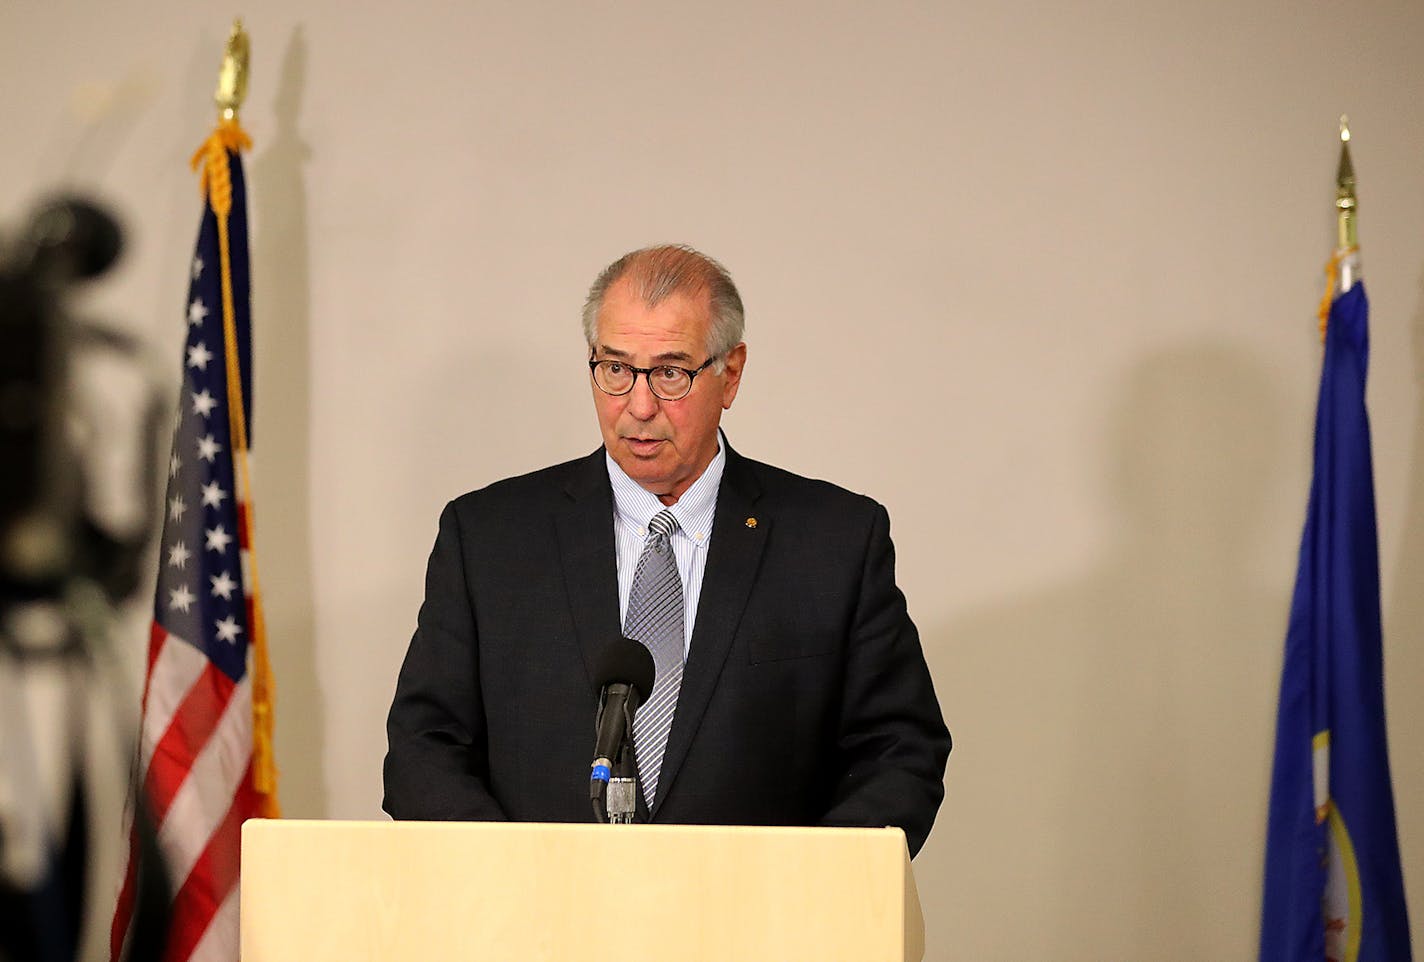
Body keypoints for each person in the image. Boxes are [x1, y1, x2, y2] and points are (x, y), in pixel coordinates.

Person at [383, 245, 950, 856]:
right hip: (538, 930)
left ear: (729, 374)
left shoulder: (832, 541)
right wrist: (512, 884)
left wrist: (807, 895)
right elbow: (425, 747)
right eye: (616, 369)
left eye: (672, 372)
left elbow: (898, 750)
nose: (640, 405)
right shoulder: (490, 538)